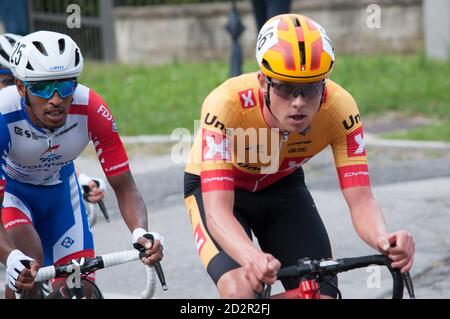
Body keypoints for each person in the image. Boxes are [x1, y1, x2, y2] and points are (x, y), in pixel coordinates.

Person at [184, 13, 415, 298]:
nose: (298, 102)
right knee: (241, 293)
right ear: (262, 82)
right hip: (221, 189)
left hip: (280, 183)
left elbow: (361, 200)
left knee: (321, 294)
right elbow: (218, 211)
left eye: (310, 88)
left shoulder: (340, 109)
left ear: (324, 86)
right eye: (284, 87)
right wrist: (252, 256)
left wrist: (383, 239)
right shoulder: (226, 105)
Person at [0, 30, 164, 298]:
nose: (55, 99)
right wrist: (10, 256)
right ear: (21, 87)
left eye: (65, 86)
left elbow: (125, 187)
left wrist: (141, 232)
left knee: (80, 290)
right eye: (41, 87)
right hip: (13, 197)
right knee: (28, 265)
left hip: (62, 197)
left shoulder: (91, 108)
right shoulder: (3, 114)